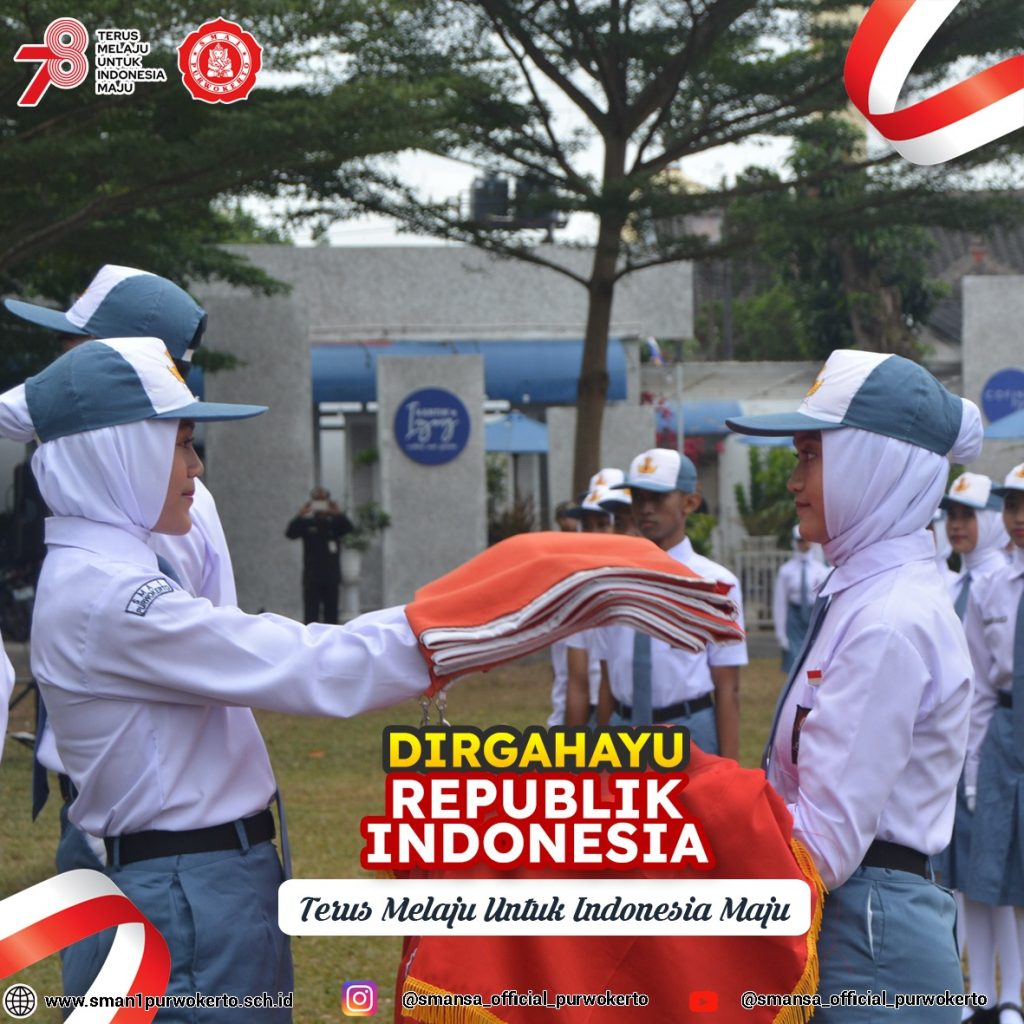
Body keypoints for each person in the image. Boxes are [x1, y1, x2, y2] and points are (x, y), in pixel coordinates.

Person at [727, 348, 983, 1020]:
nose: (794, 480)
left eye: (812, 455)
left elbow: (825, 843)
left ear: (874, 464)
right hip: (857, 925)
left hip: (868, 943)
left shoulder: (889, 619)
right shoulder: (866, 596)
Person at [595, 448, 748, 758]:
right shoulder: (611, 580)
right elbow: (607, 678)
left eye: (658, 497)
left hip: (688, 729)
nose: (645, 509)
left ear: (690, 502)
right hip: (622, 729)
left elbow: (727, 688)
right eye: (638, 498)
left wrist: (729, 771)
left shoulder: (715, 584)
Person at [931, 472, 1014, 1023]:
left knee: (999, 874)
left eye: (969, 515)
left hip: (994, 743)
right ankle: (974, 991)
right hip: (952, 746)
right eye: (952, 515)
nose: (957, 525)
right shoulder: (950, 587)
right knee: (960, 873)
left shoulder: (1000, 582)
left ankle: (1008, 994)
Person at [963, 463, 1024, 1024]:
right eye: (1011, 505)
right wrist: (973, 768)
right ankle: (991, 996)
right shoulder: (992, 588)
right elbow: (981, 686)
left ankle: (1015, 994)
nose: (1019, 517)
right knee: (991, 867)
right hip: (1004, 734)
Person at [285, 487, 353, 624]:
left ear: (328, 501)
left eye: (323, 500)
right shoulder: (307, 523)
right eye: (317, 500)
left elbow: (349, 529)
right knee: (311, 616)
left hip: (331, 576)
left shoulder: (334, 524)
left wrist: (337, 513)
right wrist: (301, 514)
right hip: (312, 577)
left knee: (331, 616)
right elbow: (290, 533)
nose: (320, 504)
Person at [772, 524, 829, 673]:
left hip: (813, 617)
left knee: (814, 660)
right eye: (800, 540)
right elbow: (780, 603)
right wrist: (781, 634)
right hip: (794, 620)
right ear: (795, 542)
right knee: (794, 662)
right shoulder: (786, 571)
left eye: (807, 539)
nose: (804, 543)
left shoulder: (820, 570)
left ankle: (812, 688)